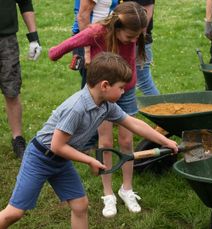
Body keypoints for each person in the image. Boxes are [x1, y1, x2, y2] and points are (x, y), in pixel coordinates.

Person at [0, 52, 178, 228]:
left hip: (60, 160)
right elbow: (57, 145)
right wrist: (89, 160)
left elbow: (133, 123)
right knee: (14, 213)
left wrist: (165, 141)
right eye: (121, 87)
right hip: (40, 157)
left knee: (80, 205)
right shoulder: (77, 108)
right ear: (105, 85)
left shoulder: (106, 106)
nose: (124, 92)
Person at [48, 2, 152, 218]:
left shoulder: (132, 34)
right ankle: (108, 194)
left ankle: (127, 189)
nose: (134, 41)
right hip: (103, 95)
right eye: (131, 37)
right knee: (105, 142)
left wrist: (128, 86)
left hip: (126, 92)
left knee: (126, 141)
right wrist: (56, 53)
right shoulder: (97, 32)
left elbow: (131, 61)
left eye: (136, 37)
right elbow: (68, 44)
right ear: (117, 27)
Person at [0, 0, 42, 158]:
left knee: (12, 91)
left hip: (7, 40)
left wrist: (34, 38)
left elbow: (25, 3)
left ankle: (17, 138)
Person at [71, 0, 119, 88]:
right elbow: (83, 16)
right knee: (94, 89)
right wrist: (87, 51)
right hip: (91, 42)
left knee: (101, 86)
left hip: (100, 40)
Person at [125, 0, 159, 95]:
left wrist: (137, 39)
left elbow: (146, 14)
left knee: (143, 82)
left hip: (138, 42)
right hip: (130, 39)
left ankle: (159, 108)